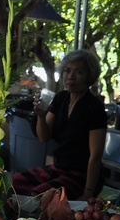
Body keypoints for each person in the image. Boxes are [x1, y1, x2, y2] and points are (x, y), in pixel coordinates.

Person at [11, 50, 107, 201]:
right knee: (10, 184)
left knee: (36, 198)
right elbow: (43, 137)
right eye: (67, 70)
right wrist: (41, 116)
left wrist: (89, 192)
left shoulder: (94, 108)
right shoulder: (61, 98)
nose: (70, 76)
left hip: (81, 175)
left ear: (89, 77)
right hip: (58, 169)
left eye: (79, 72)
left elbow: (95, 156)